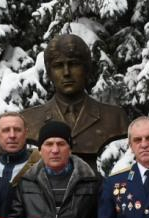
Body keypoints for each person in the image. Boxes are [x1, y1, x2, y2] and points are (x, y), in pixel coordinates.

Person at [22, 34, 128, 171]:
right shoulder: (29, 119)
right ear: (49, 73)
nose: (66, 72)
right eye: (58, 66)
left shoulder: (115, 118)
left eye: (73, 64)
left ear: (87, 69)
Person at [0, 112, 40, 187]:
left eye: (17, 130)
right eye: (6, 130)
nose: (12, 135)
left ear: (26, 133)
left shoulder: (42, 168)